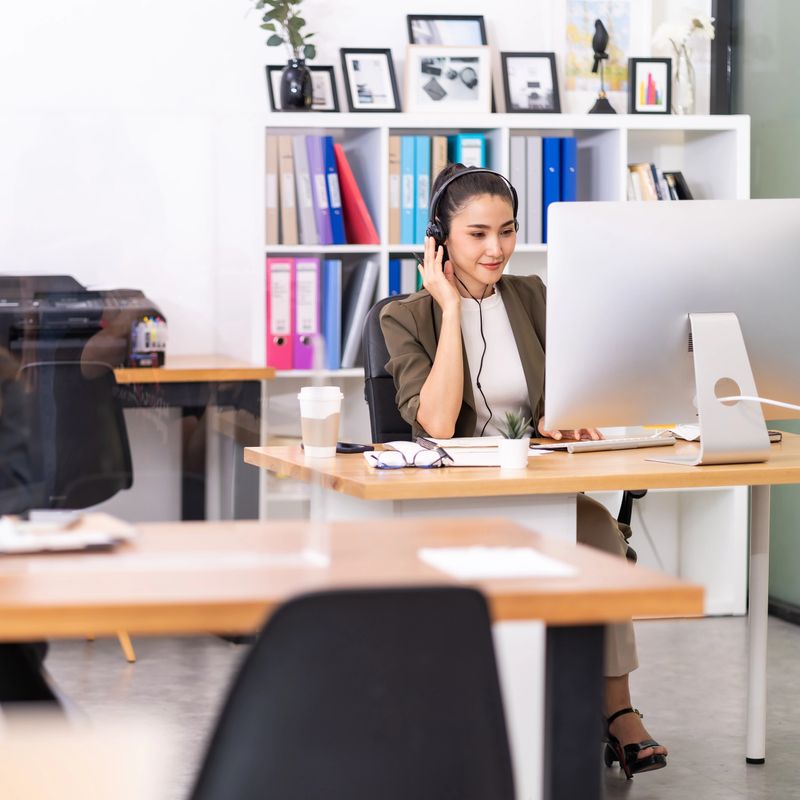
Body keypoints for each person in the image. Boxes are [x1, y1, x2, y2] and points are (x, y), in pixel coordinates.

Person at [380, 163, 667, 779]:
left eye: (506, 231)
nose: (496, 249)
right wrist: (452, 311)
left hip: (536, 488)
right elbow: (432, 423)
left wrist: (565, 418)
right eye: (477, 233)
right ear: (440, 240)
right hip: (452, 500)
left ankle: (616, 712)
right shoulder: (405, 317)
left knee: (597, 538)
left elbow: (568, 388)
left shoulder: (532, 294)